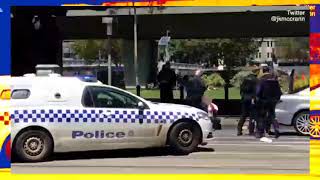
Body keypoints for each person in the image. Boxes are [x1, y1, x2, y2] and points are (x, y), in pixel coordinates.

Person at [256, 67, 282, 139]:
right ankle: (276, 129)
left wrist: (257, 97)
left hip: (264, 100)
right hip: (273, 101)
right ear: (268, 71)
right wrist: (277, 99)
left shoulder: (262, 80)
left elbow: (258, 91)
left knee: (262, 116)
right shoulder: (274, 80)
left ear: (263, 71)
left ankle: (261, 132)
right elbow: (279, 91)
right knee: (272, 115)